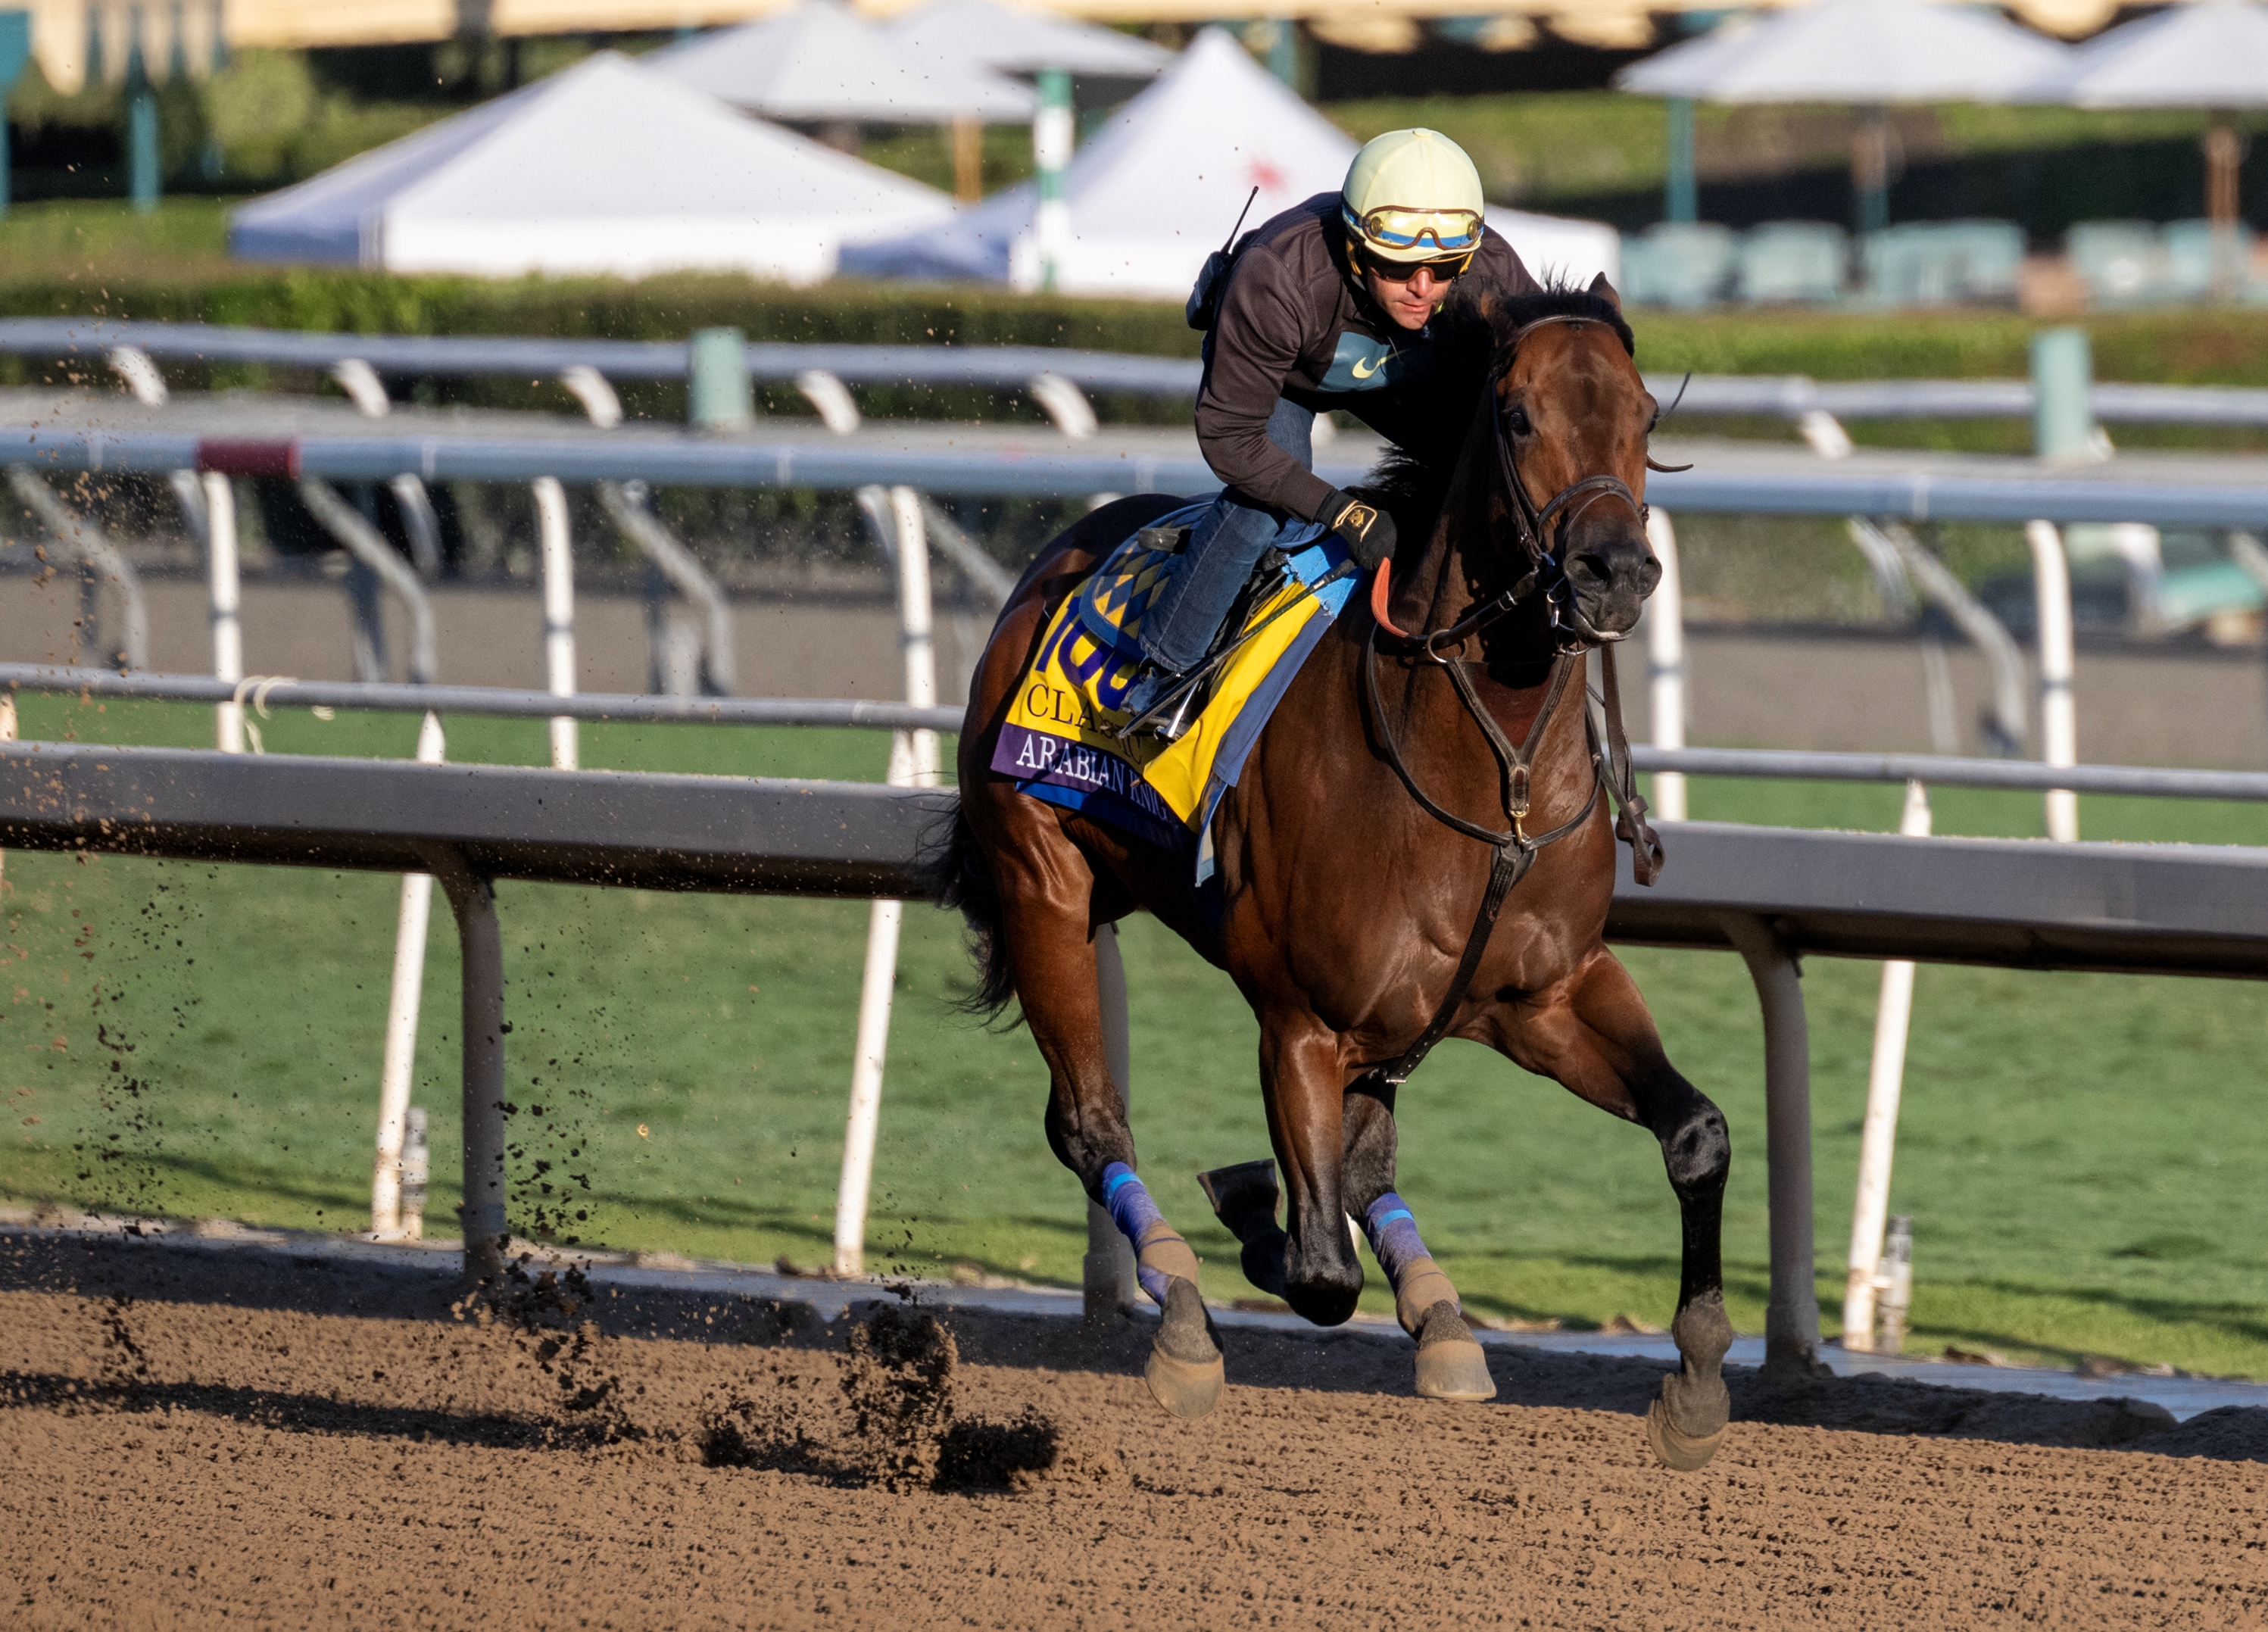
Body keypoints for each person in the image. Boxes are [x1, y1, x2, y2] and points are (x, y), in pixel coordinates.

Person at [1121, 127, 1540, 726]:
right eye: (1398, 267)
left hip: (1398, 382)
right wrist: (1342, 512)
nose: (1423, 288)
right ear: (1354, 248)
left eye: (1444, 267)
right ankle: (1164, 674)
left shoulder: (1492, 271)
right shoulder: (1276, 274)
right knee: (1263, 506)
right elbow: (1228, 436)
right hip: (1286, 381)